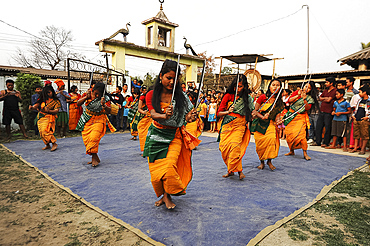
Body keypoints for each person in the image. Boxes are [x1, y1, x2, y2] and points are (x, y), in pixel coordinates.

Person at [143, 59, 199, 210]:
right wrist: (163, 116)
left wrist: (190, 117)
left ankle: (167, 196)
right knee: (156, 174)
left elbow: (187, 117)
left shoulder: (182, 97)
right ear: (161, 76)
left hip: (174, 136)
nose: (171, 82)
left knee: (169, 166)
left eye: (175, 79)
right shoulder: (151, 95)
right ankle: (163, 195)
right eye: (169, 78)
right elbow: (153, 114)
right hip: (156, 136)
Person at [217, 74, 254, 180]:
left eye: (240, 86)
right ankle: (230, 170)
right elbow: (219, 113)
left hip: (240, 125)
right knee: (224, 149)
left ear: (245, 86)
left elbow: (252, 112)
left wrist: (254, 115)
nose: (237, 89)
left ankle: (239, 171)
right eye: (236, 86)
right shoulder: (228, 96)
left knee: (235, 147)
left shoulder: (248, 98)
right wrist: (227, 111)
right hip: (227, 125)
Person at [76, 82, 116, 167]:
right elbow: (78, 103)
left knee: (94, 138)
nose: (97, 96)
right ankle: (95, 156)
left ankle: (94, 158)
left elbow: (109, 111)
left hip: (99, 119)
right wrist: (86, 97)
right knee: (86, 139)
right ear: (93, 90)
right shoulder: (87, 93)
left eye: (99, 94)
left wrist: (104, 105)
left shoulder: (105, 98)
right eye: (96, 93)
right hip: (87, 119)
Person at [251, 79, 285, 170]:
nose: (275, 87)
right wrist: (262, 117)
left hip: (270, 124)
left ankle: (269, 162)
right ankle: (262, 162)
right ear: (269, 86)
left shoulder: (279, 102)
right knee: (260, 144)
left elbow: (277, 116)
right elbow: (255, 111)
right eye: (273, 85)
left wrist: (279, 120)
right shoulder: (263, 97)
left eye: (277, 85)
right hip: (260, 124)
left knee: (271, 140)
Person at [283, 81, 319, 160]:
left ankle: (305, 153)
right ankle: (291, 150)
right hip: (291, 116)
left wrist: (304, 99)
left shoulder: (310, 98)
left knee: (301, 136)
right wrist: (298, 95)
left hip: (301, 117)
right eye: (306, 86)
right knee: (289, 135)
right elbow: (289, 101)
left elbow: (307, 108)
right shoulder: (297, 92)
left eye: (309, 88)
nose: (306, 89)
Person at [29, 86, 60, 151]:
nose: (48, 94)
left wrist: (48, 111)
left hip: (49, 118)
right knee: (41, 132)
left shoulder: (56, 101)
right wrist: (32, 108)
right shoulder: (42, 99)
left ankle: (54, 143)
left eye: (49, 92)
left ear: (52, 92)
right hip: (40, 117)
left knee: (45, 131)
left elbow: (56, 111)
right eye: (46, 93)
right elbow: (35, 106)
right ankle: (47, 144)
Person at [314, 77, 337, 147]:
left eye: (327, 82)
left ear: (331, 83)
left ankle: (326, 142)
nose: (325, 83)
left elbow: (329, 100)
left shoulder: (335, 91)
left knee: (327, 127)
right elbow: (319, 98)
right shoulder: (325, 90)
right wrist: (325, 98)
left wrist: (324, 99)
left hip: (329, 112)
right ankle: (318, 141)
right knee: (318, 126)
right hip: (322, 111)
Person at [349, 85, 370, 155]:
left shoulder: (369, 101)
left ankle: (363, 148)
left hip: (364, 119)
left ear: (365, 92)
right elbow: (356, 109)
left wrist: (368, 117)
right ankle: (355, 147)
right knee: (356, 134)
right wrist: (354, 115)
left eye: (360, 92)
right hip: (357, 118)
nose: (359, 94)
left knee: (364, 135)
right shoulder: (359, 100)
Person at [137, 87, 153, 153]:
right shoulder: (143, 97)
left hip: (154, 119)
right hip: (145, 118)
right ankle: (145, 149)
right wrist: (145, 112)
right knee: (143, 133)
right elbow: (139, 109)